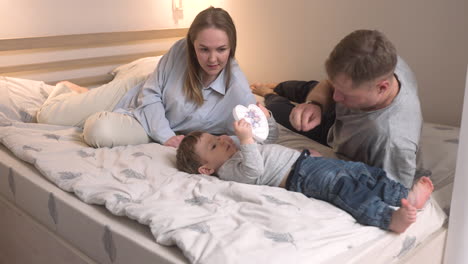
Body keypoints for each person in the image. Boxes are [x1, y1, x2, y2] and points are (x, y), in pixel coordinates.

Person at [175, 106, 433, 233]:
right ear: (206, 170)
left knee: (361, 171)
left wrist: (266, 119)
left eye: (216, 137)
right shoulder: (230, 170)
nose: (221, 140)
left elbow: (270, 138)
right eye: (213, 146)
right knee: (344, 187)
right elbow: (254, 171)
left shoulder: (242, 149)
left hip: (308, 163)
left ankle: (401, 194)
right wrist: (245, 140)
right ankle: (389, 219)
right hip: (299, 177)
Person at [36, 7, 255, 148]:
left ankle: (86, 97)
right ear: (192, 45)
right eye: (204, 49)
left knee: (98, 131)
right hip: (135, 93)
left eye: (221, 49)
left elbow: (261, 134)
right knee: (46, 117)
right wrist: (167, 137)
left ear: (232, 47)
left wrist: (239, 136)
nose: (213, 59)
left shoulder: (237, 88)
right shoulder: (180, 51)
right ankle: (68, 90)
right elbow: (150, 94)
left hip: (144, 123)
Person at [250, 29, 422, 188]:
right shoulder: (385, 62)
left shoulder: (390, 142)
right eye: (336, 87)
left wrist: (325, 164)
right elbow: (329, 86)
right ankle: (279, 86)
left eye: (346, 93)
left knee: (280, 113)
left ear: (382, 88)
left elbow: (388, 193)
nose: (335, 98)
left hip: (336, 133)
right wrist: (315, 104)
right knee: (309, 87)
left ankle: (269, 94)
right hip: (345, 117)